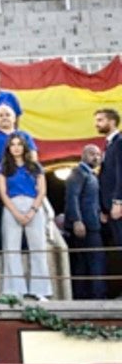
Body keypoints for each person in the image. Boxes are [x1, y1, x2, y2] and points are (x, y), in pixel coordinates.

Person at [0, 132, 52, 300]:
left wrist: (32, 211)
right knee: (11, 248)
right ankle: (14, 290)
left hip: (33, 205)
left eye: (19, 144)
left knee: (38, 248)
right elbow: (3, 192)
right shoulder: (3, 167)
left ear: (24, 147)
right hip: (11, 205)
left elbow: (42, 191)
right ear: (8, 147)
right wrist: (15, 212)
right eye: (12, 144)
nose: (16, 148)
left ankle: (41, 290)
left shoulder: (35, 167)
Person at [65, 144, 106, 300]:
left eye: (98, 154)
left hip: (93, 223)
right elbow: (72, 197)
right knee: (96, 261)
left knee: (84, 261)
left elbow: (90, 200)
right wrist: (77, 220)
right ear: (82, 155)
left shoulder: (91, 175)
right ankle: (98, 296)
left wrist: (100, 213)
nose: (95, 157)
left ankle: (83, 295)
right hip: (85, 225)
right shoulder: (78, 172)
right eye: (91, 154)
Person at [96, 109, 122, 261]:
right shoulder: (108, 145)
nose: (96, 124)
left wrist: (118, 201)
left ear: (112, 122)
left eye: (100, 120)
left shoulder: (119, 143)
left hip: (117, 205)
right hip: (109, 207)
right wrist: (103, 208)